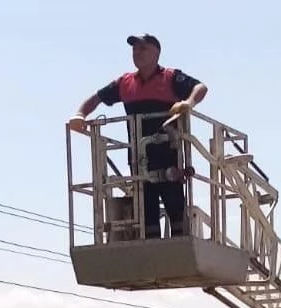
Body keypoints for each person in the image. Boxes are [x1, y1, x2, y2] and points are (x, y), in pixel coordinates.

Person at [67, 34, 208, 240]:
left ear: (156, 53)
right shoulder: (125, 82)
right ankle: (153, 249)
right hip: (139, 157)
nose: (137, 53)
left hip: (168, 153)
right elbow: (96, 98)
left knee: (174, 204)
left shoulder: (170, 77)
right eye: (134, 49)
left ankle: (181, 244)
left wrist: (188, 103)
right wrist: (80, 114)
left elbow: (200, 87)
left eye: (143, 48)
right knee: (146, 208)